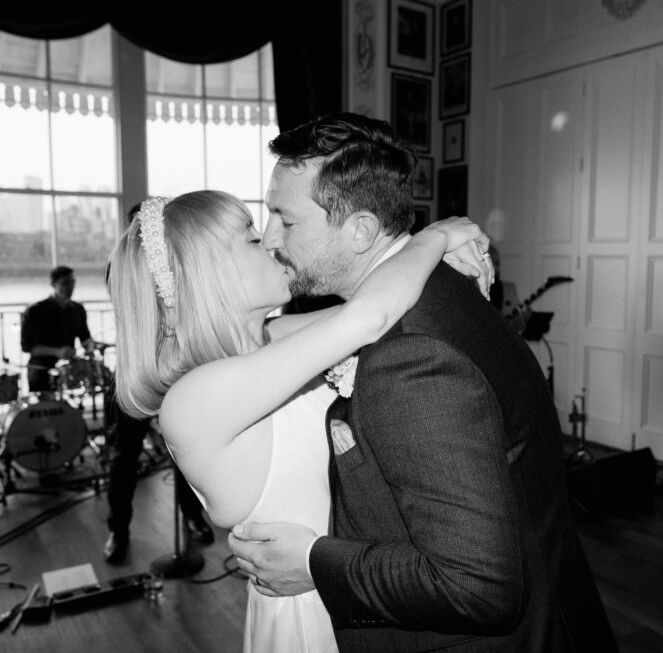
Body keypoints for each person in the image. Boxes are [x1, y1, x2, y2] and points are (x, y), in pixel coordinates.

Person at [229, 112, 618, 652]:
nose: (271, 238)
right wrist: (435, 236)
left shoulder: (410, 356)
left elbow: (477, 586)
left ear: (360, 230)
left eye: (286, 220)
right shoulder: (436, 289)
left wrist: (316, 563)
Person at [107, 189, 490, 652]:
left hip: (358, 586)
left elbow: (376, 303)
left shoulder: (272, 338)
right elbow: (370, 316)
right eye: (250, 239)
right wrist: (436, 236)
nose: (270, 244)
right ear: (205, 275)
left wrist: (445, 255)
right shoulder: (195, 398)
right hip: (312, 614)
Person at [102, 202, 213, 565]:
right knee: (124, 457)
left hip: (178, 368)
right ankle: (118, 528)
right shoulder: (119, 266)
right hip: (137, 370)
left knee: (185, 451)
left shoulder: (178, 264)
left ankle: (192, 515)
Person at [20, 265, 96, 393]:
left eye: (72, 282)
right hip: (41, 368)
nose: (70, 287)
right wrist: (57, 352)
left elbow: (85, 339)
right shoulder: (35, 311)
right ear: (54, 284)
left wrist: (92, 347)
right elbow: (27, 347)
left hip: (69, 368)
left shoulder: (78, 310)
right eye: (65, 283)